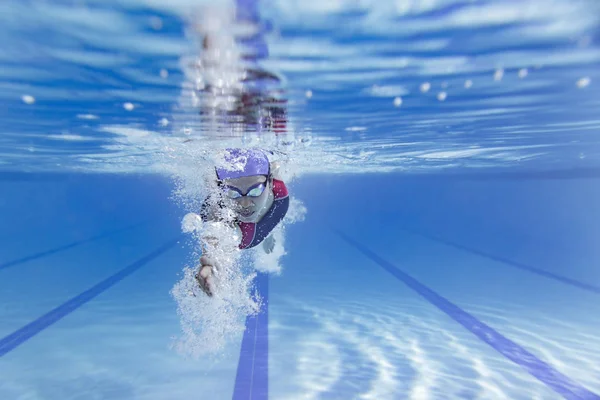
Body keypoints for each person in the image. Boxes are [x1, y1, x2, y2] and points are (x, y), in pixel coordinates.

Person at [183, 147, 289, 296]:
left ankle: (268, 234)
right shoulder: (216, 212)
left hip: (268, 219)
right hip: (246, 234)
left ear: (270, 182)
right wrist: (212, 267)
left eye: (256, 190)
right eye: (232, 193)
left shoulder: (279, 193)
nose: (244, 204)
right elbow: (217, 238)